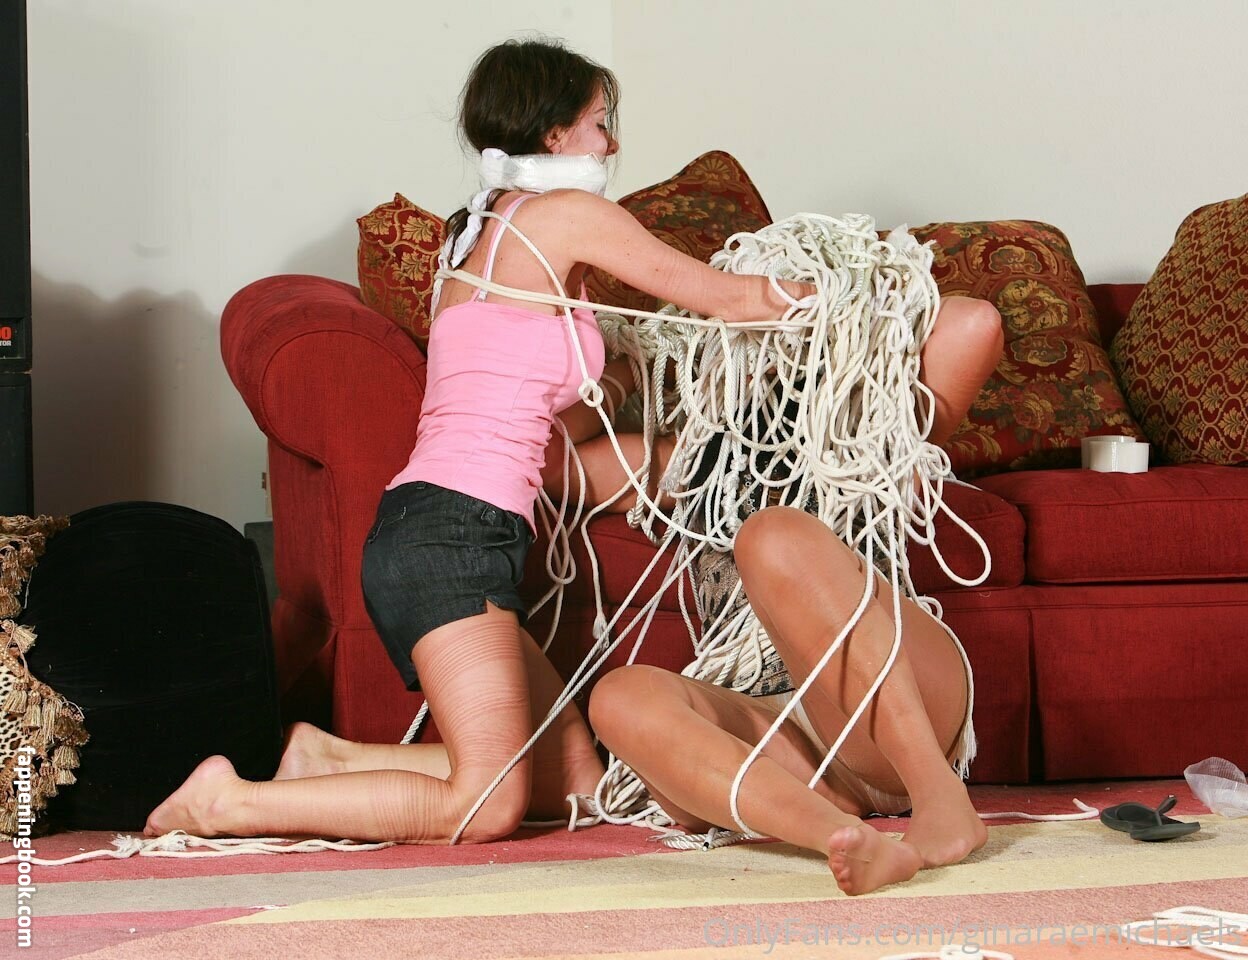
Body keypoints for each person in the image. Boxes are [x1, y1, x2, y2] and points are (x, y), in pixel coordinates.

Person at [143, 37, 815, 845]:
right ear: (556, 132)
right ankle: (226, 804)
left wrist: (633, 405)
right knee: (487, 803)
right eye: (601, 122)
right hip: (449, 540)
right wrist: (862, 299)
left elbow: (536, 418)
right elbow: (732, 298)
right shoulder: (568, 216)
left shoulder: (478, 236)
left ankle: (325, 760)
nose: (611, 144)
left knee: (574, 786)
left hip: (446, 531)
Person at [584, 295, 1004, 895]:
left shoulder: (875, 422)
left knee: (773, 536)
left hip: (899, 695)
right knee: (619, 697)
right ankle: (838, 836)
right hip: (792, 739)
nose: (763, 362)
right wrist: (641, 357)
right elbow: (540, 452)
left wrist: (816, 298)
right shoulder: (681, 461)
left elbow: (975, 324)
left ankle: (941, 798)